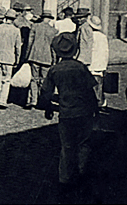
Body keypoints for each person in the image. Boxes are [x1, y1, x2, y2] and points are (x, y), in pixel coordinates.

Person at [38, 33, 98, 196]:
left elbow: (45, 94)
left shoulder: (54, 70)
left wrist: (49, 108)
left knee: (67, 146)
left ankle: (64, 179)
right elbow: (91, 91)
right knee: (84, 143)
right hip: (84, 112)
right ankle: (82, 173)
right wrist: (96, 109)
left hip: (66, 113)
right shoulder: (81, 68)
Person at [0, 8, 22, 109]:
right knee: (6, 80)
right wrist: (17, 59)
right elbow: (18, 47)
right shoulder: (16, 30)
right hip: (9, 58)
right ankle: (3, 100)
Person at [26, 10, 57, 108]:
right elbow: (53, 47)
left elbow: (29, 43)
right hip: (47, 58)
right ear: (49, 19)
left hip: (34, 56)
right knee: (44, 80)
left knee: (34, 79)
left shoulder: (35, 27)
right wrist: (54, 59)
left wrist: (27, 56)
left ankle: (32, 100)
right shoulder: (53, 31)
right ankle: (43, 100)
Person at [88, 15, 109, 108]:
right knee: (98, 84)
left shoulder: (90, 36)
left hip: (91, 63)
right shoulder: (103, 37)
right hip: (100, 63)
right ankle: (99, 102)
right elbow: (106, 51)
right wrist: (105, 65)